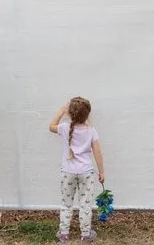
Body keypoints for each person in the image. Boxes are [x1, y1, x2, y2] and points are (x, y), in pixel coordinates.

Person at [49, 97, 104, 243]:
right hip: (86, 172)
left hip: (68, 172)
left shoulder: (64, 128)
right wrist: (102, 172)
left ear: (70, 113)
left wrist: (61, 112)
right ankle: (85, 234)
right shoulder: (91, 131)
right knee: (85, 205)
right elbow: (97, 153)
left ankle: (64, 233)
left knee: (66, 204)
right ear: (87, 114)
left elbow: (51, 126)